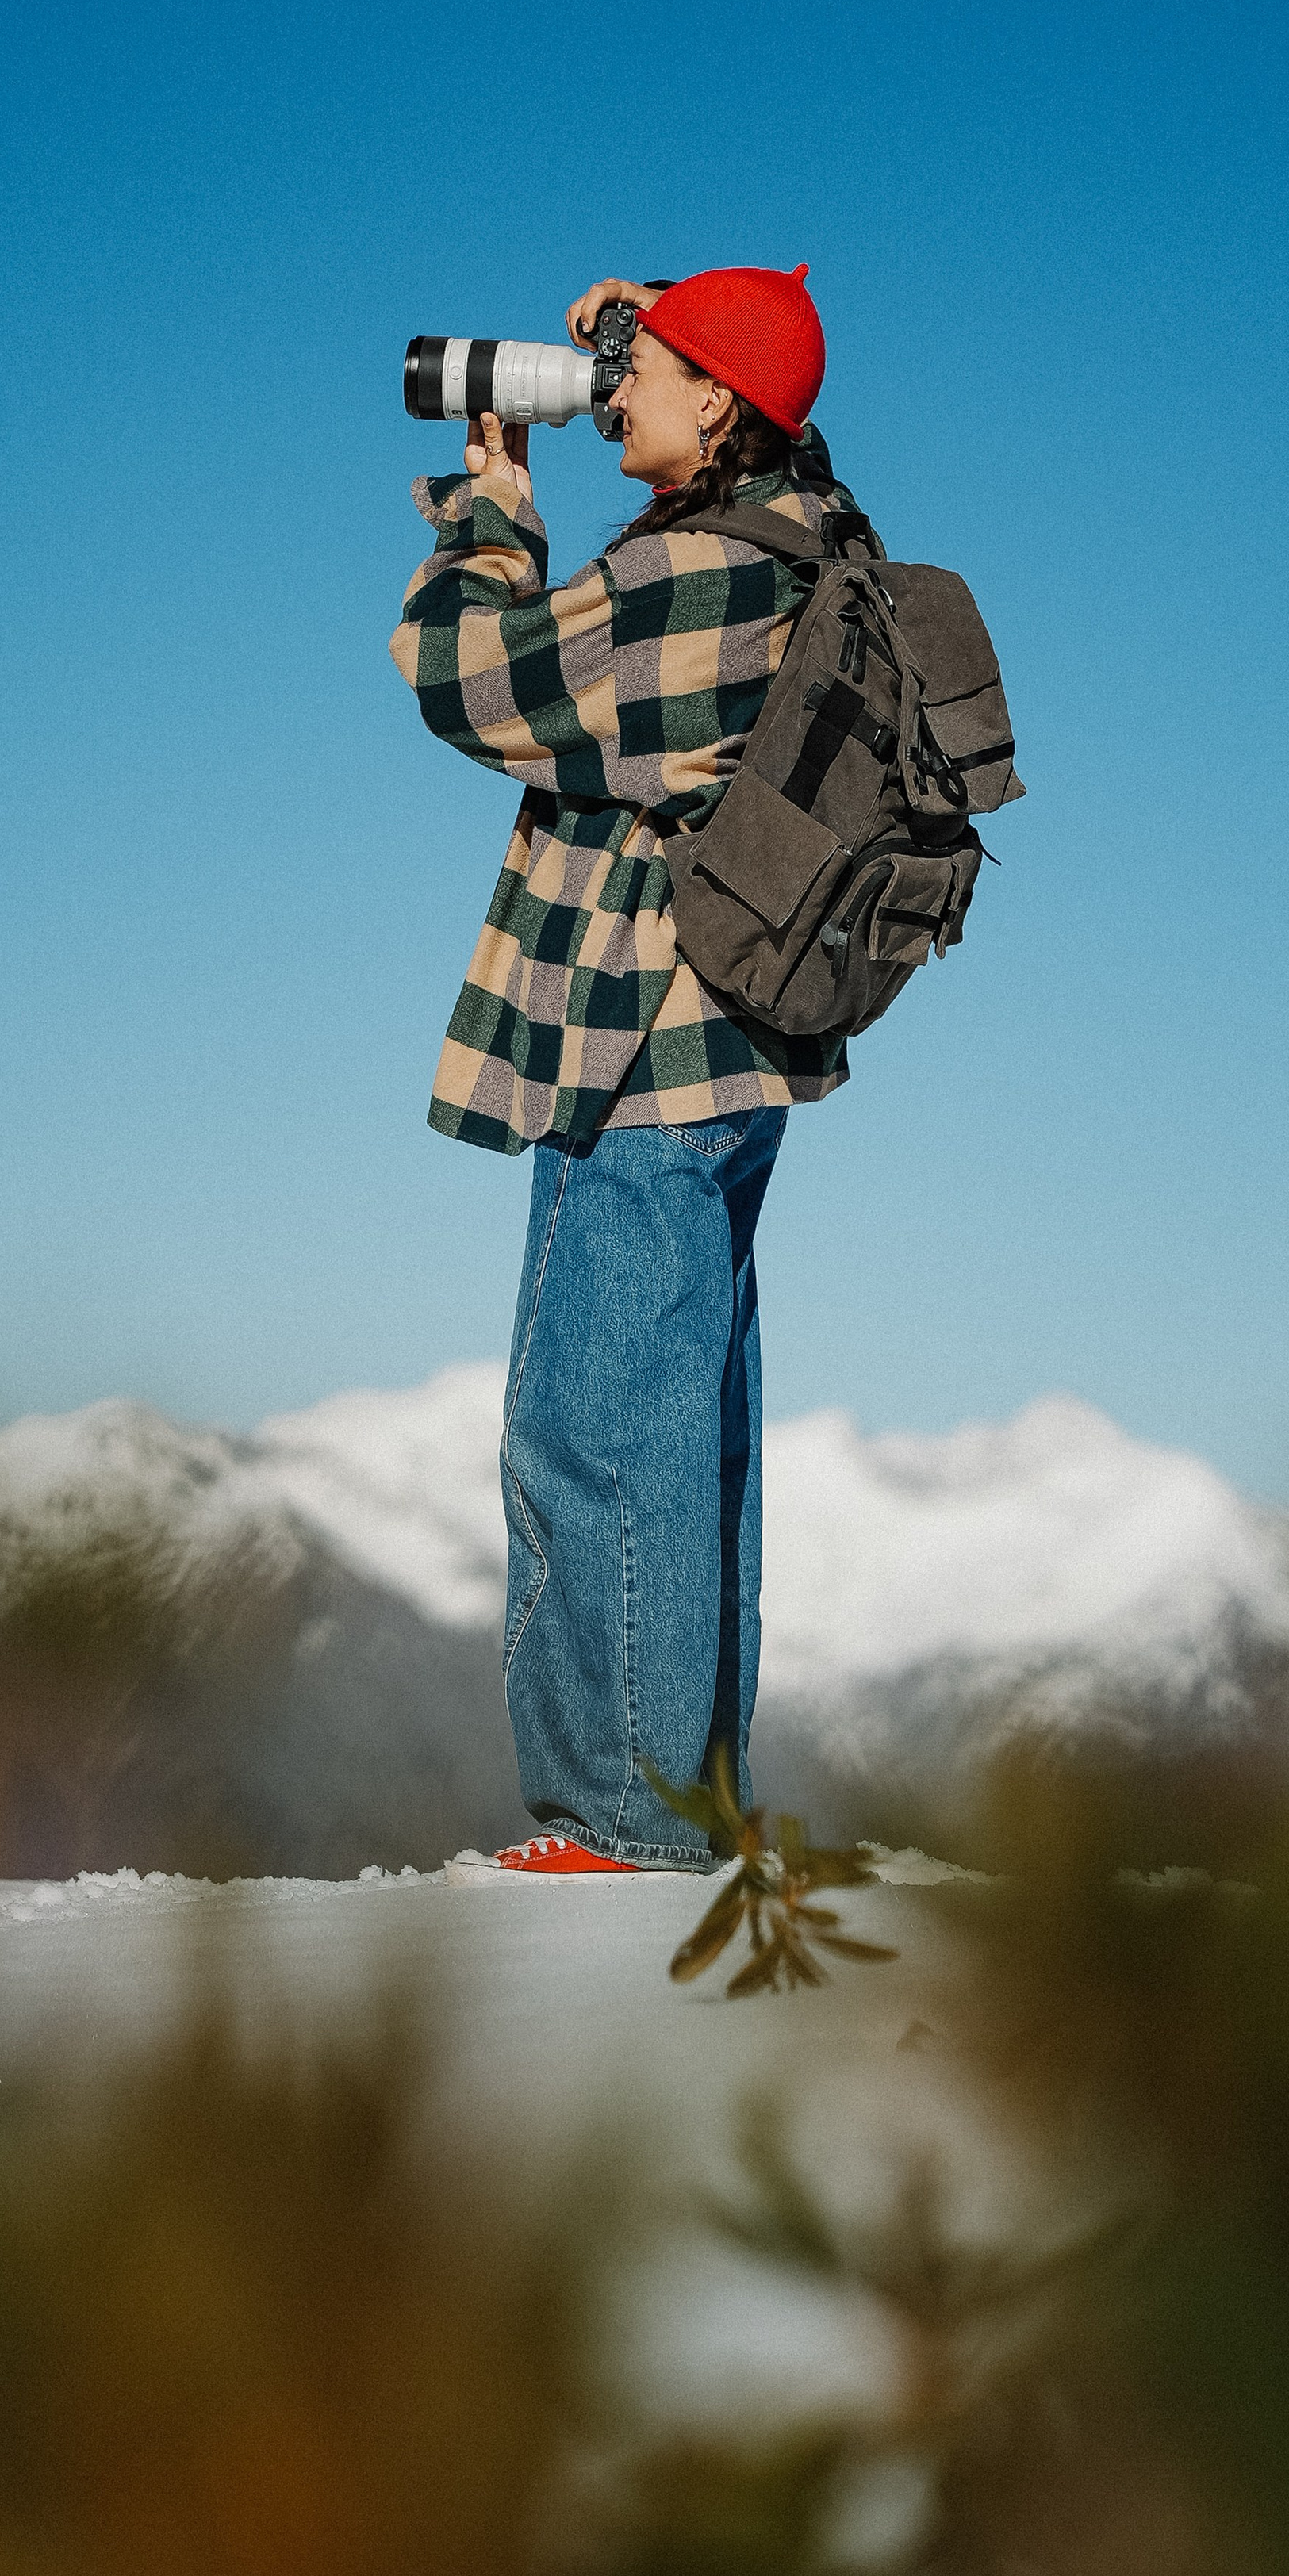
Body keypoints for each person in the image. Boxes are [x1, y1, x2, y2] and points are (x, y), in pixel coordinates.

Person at [389, 265, 864, 1873]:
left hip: (642, 1050)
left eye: (640, 370)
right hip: (716, 1052)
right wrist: (665, 314)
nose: (605, 393)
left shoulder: (694, 574)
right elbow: (792, 429)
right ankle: (677, 1804)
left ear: (722, 402)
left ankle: (622, 1822)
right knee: (679, 1429)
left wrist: (484, 522)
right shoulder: (799, 537)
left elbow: (475, 682)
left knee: (593, 1433)